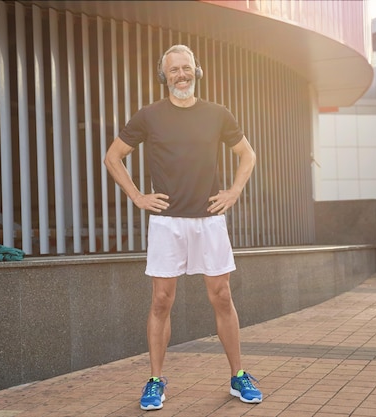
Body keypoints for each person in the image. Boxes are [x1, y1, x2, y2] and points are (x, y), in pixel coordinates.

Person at [104, 44, 262, 410]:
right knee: (161, 301)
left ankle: (238, 376)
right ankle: (156, 380)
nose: (181, 75)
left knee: (222, 296)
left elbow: (247, 154)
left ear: (197, 71)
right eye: (173, 69)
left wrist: (234, 191)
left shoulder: (217, 113)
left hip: (209, 220)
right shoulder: (149, 116)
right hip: (166, 223)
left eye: (186, 68)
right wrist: (138, 197)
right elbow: (113, 157)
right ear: (164, 76)